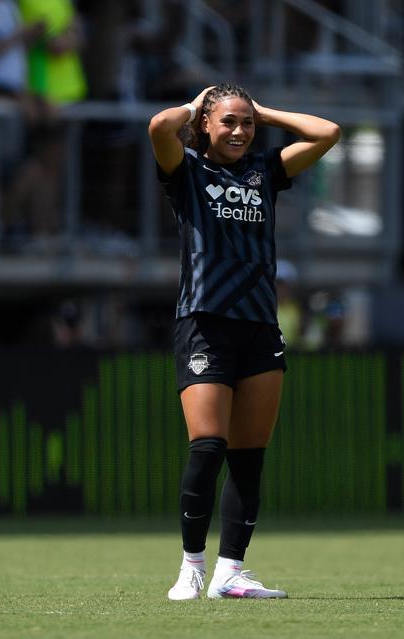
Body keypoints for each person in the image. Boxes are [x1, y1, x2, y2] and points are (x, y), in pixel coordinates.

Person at [148, 83, 340, 600]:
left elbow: (328, 133)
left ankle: (230, 571)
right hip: (205, 321)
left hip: (259, 326)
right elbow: (158, 128)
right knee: (208, 447)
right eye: (228, 121)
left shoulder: (264, 172)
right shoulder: (186, 171)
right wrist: (193, 106)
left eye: (246, 123)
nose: (239, 131)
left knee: (249, 456)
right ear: (206, 125)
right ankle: (191, 566)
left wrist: (264, 112)